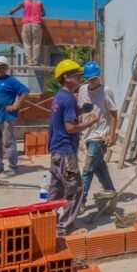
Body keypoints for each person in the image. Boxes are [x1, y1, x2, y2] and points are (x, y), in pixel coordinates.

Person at [48, 60, 98, 235]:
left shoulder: (60, 96)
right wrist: (89, 123)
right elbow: (70, 128)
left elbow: (62, 117)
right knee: (75, 187)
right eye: (75, 75)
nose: (79, 78)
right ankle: (66, 226)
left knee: (57, 188)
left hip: (56, 155)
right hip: (66, 155)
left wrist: (80, 110)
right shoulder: (68, 99)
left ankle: (47, 220)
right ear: (66, 77)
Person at [77, 60, 118, 212]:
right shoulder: (82, 90)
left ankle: (80, 201)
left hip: (100, 136)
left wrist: (111, 135)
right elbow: (81, 111)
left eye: (95, 78)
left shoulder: (106, 91)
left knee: (87, 169)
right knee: (99, 167)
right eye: (90, 79)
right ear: (86, 79)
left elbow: (113, 113)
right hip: (87, 135)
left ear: (99, 77)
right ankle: (111, 194)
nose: (93, 81)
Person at [0, 56, 29, 176]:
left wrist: (17, 105)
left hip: (6, 117)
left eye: (3, 67)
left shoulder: (11, 80)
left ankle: (13, 167)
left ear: (7, 68)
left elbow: (25, 90)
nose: (1, 69)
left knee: (8, 143)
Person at [8, 0, 45, 66]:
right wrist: (36, 14)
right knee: (36, 44)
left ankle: (29, 62)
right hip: (36, 24)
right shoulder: (39, 2)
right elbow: (44, 14)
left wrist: (10, 13)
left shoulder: (23, 2)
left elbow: (12, 11)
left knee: (27, 43)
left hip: (26, 24)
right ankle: (34, 62)